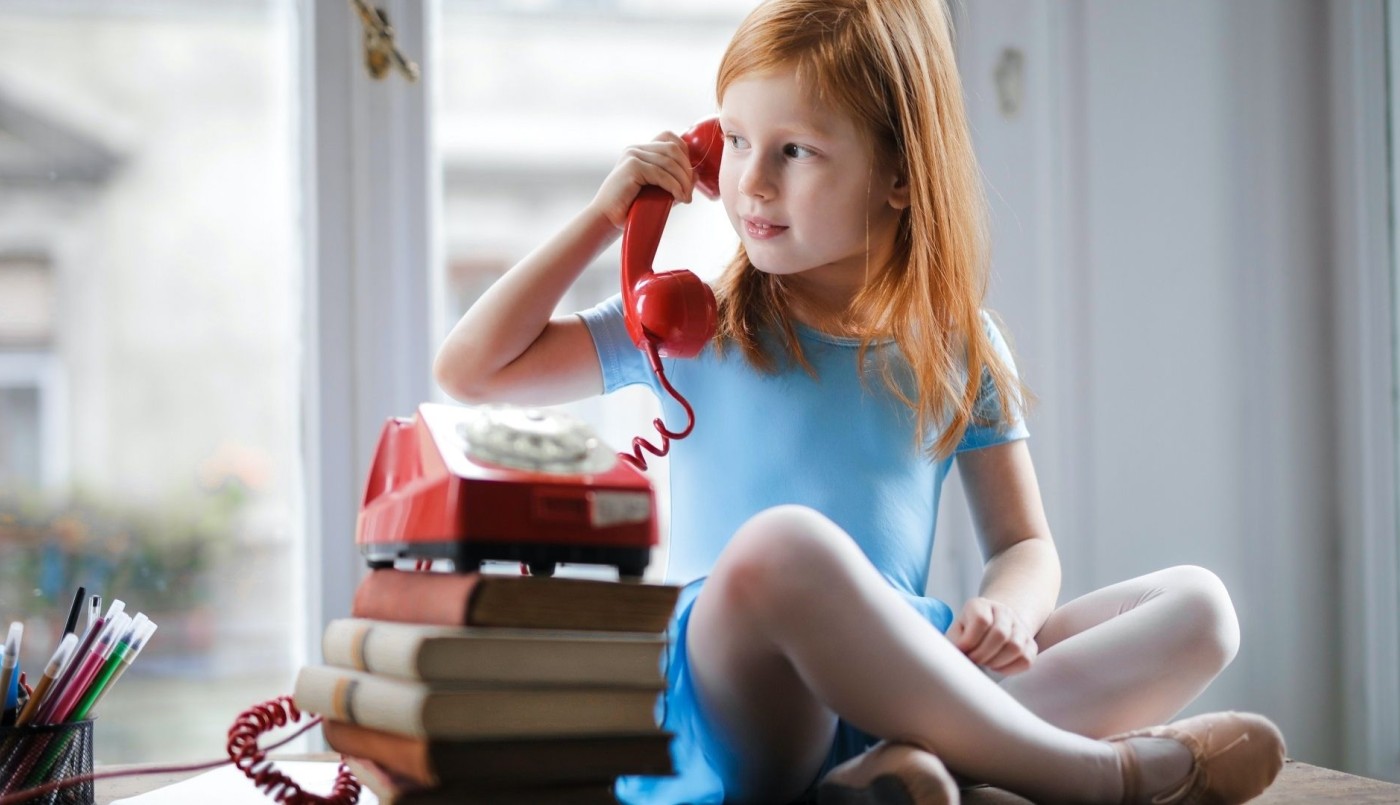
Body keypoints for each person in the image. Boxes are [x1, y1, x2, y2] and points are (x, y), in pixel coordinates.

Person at [433, 1, 1287, 802]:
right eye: (732, 140)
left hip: (901, 672)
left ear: (899, 178)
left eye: (794, 151)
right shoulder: (694, 321)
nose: (751, 183)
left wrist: (1010, 609)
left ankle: (904, 766)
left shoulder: (957, 342)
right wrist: (603, 218)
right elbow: (472, 370)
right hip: (747, 696)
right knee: (784, 546)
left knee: (1200, 605)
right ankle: (1094, 775)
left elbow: (1024, 542)